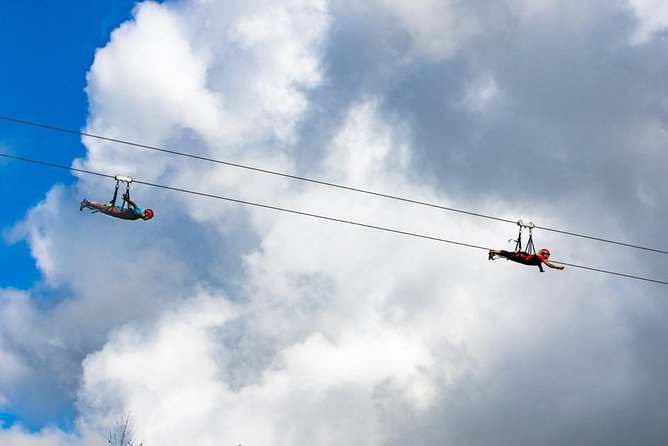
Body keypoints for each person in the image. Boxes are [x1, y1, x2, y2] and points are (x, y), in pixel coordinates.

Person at [80, 193, 154, 221]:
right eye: (149, 217)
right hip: (119, 211)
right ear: (147, 214)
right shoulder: (140, 213)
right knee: (103, 208)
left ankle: (87, 203)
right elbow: (134, 205)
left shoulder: (139, 215)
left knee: (102, 209)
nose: (148, 219)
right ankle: (87, 202)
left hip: (118, 213)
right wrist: (127, 199)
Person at [488, 247, 564, 272]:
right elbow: (549, 264)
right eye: (547, 255)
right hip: (520, 257)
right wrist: (558, 267)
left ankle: (493, 253)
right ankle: (493, 251)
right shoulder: (541, 257)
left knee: (506, 254)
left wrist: (540, 268)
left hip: (521, 256)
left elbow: (538, 262)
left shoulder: (539, 258)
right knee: (506, 254)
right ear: (544, 253)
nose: (548, 257)